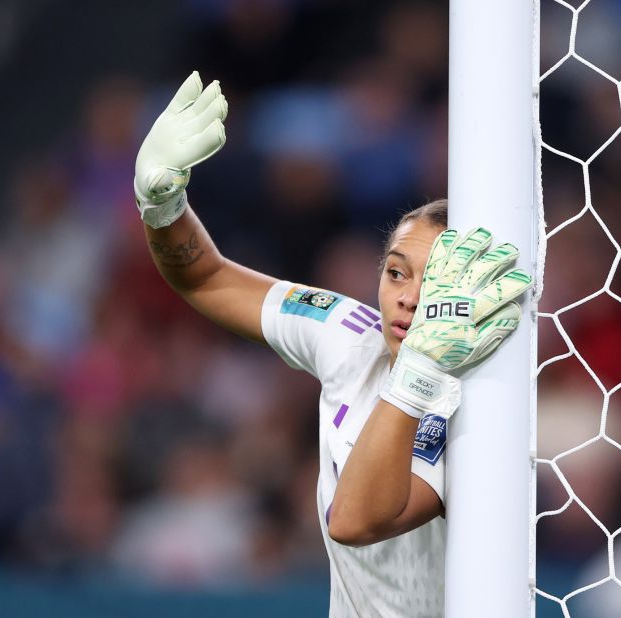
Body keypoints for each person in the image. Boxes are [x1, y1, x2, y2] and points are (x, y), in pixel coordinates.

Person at [133, 71, 532, 617]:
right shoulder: (349, 334)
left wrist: (419, 367)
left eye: (435, 281)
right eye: (396, 273)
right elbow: (206, 278)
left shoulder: (481, 406)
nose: (409, 298)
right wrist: (162, 204)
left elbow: (353, 521)